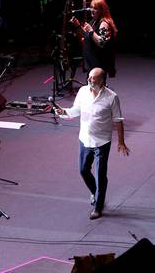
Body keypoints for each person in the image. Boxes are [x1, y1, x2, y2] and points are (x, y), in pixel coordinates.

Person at [54, 67, 130, 220]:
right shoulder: (82, 91)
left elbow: (118, 121)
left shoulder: (112, 97)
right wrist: (64, 112)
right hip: (85, 139)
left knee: (100, 175)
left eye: (93, 78)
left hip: (102, 142)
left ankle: (98, 206)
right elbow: (76, 110)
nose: (89, 80)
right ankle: (95, 192)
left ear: (102, 80)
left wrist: (121, 142)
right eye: (89, 77)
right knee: (83, 170)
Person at [70, 0, 117, 77]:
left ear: (101, 10)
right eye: (91, 7)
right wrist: (77, 25)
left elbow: (101, 43)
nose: (92, 10)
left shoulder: (104, 23)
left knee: (96, 86)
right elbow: (86, 36)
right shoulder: (93, 21)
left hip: (98, 63)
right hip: (91, 62)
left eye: (95, 8)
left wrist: (91, 31)